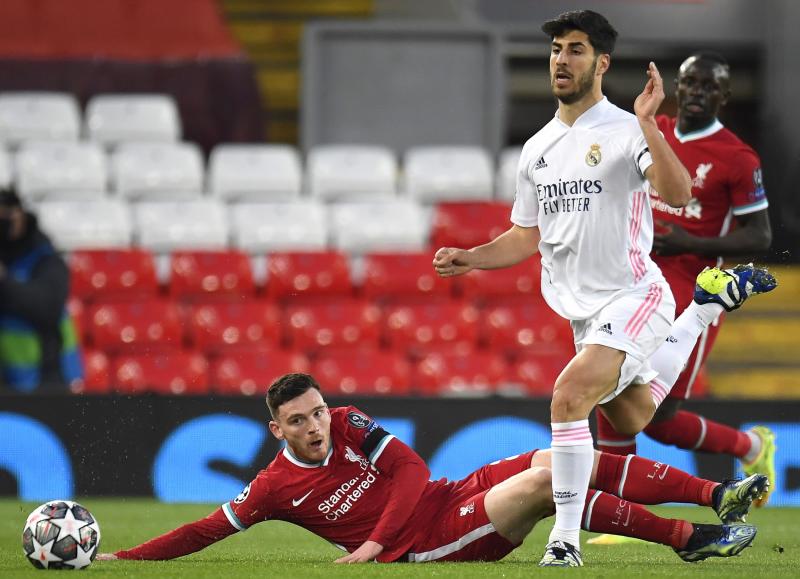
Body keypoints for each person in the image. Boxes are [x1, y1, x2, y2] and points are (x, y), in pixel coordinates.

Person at [431, 10, 775, 566]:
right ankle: (704, 310)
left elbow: (679, 190)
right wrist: (472, 257)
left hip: (633, 295)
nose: (561, 60)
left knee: (568, 397)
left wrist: (647, 123)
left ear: (601, 62)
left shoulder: (624, 129)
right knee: (635, 418)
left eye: (574, 49)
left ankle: (564, 540)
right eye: (556, 50)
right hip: (582, 313)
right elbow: (527, 235)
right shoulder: (537, 148)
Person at [98, 373, 767, 566]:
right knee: (544, 485)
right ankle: (689, 540)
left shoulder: (352, 421)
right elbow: (207, 529)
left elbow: (414, 471)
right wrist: (125, 557)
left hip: (444, 496)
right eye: (298, 420)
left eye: (317, 411)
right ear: (277, 430)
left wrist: (367, 542)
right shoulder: (275, 486)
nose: (315, 424)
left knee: (563, 455)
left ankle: (715, 494)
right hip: (430, 541)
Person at [594, 52, 776, 508]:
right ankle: (621, 511)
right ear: (679, 86)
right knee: (611, 388)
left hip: (691, 295)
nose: (697, 92)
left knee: (656, 417)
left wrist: (686, 239)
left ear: (724, 96)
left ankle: (751, 448)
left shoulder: (737, 158)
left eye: (708, 86)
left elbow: (761, 235)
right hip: (632, 283)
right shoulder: (653, 131)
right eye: (690, 83)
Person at [0, 188, 82, 391]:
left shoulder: (45, 257)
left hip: (48, 377)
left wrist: (4, 281)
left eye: (6, 215)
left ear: (21, 214)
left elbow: (47, 306)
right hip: (8, 379)